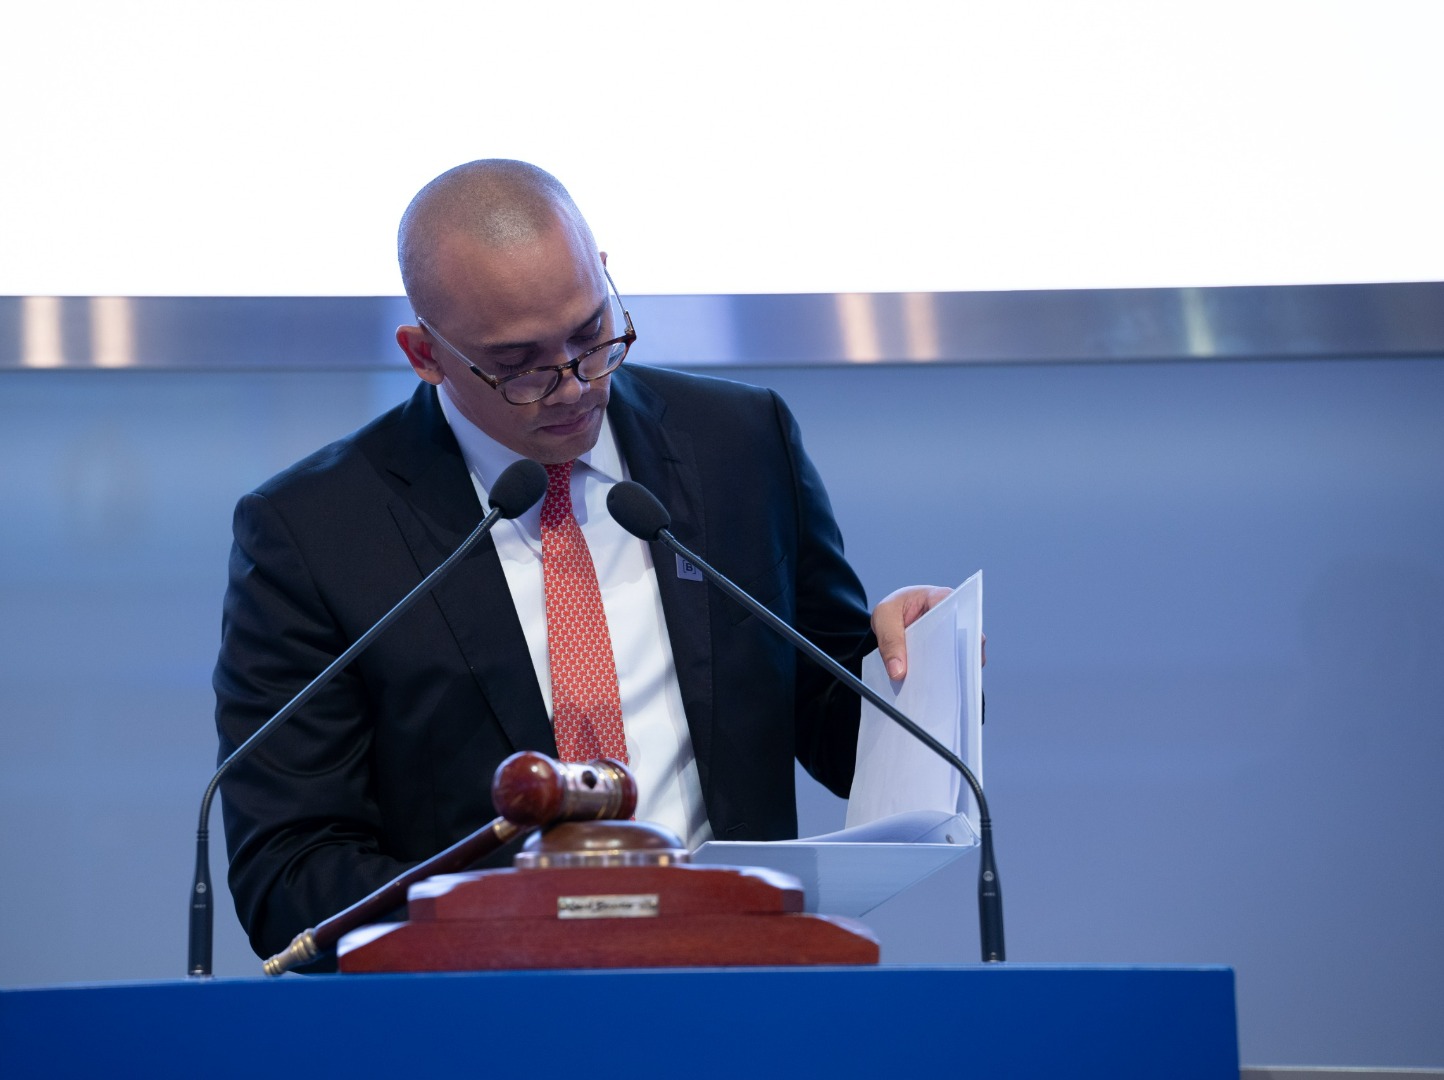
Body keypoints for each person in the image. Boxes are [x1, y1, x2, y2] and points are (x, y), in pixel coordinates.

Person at [213, 159, 955, 962]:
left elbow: (838, 730)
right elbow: (288, 873)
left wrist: (917, 663)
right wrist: (525, 926)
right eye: (520, 365)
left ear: (603, 275)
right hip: (485, 1004)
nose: (572, 386)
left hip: (736, 981)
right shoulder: (313, 531)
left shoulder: (739, 444)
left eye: (591, 334)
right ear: (425, 354)